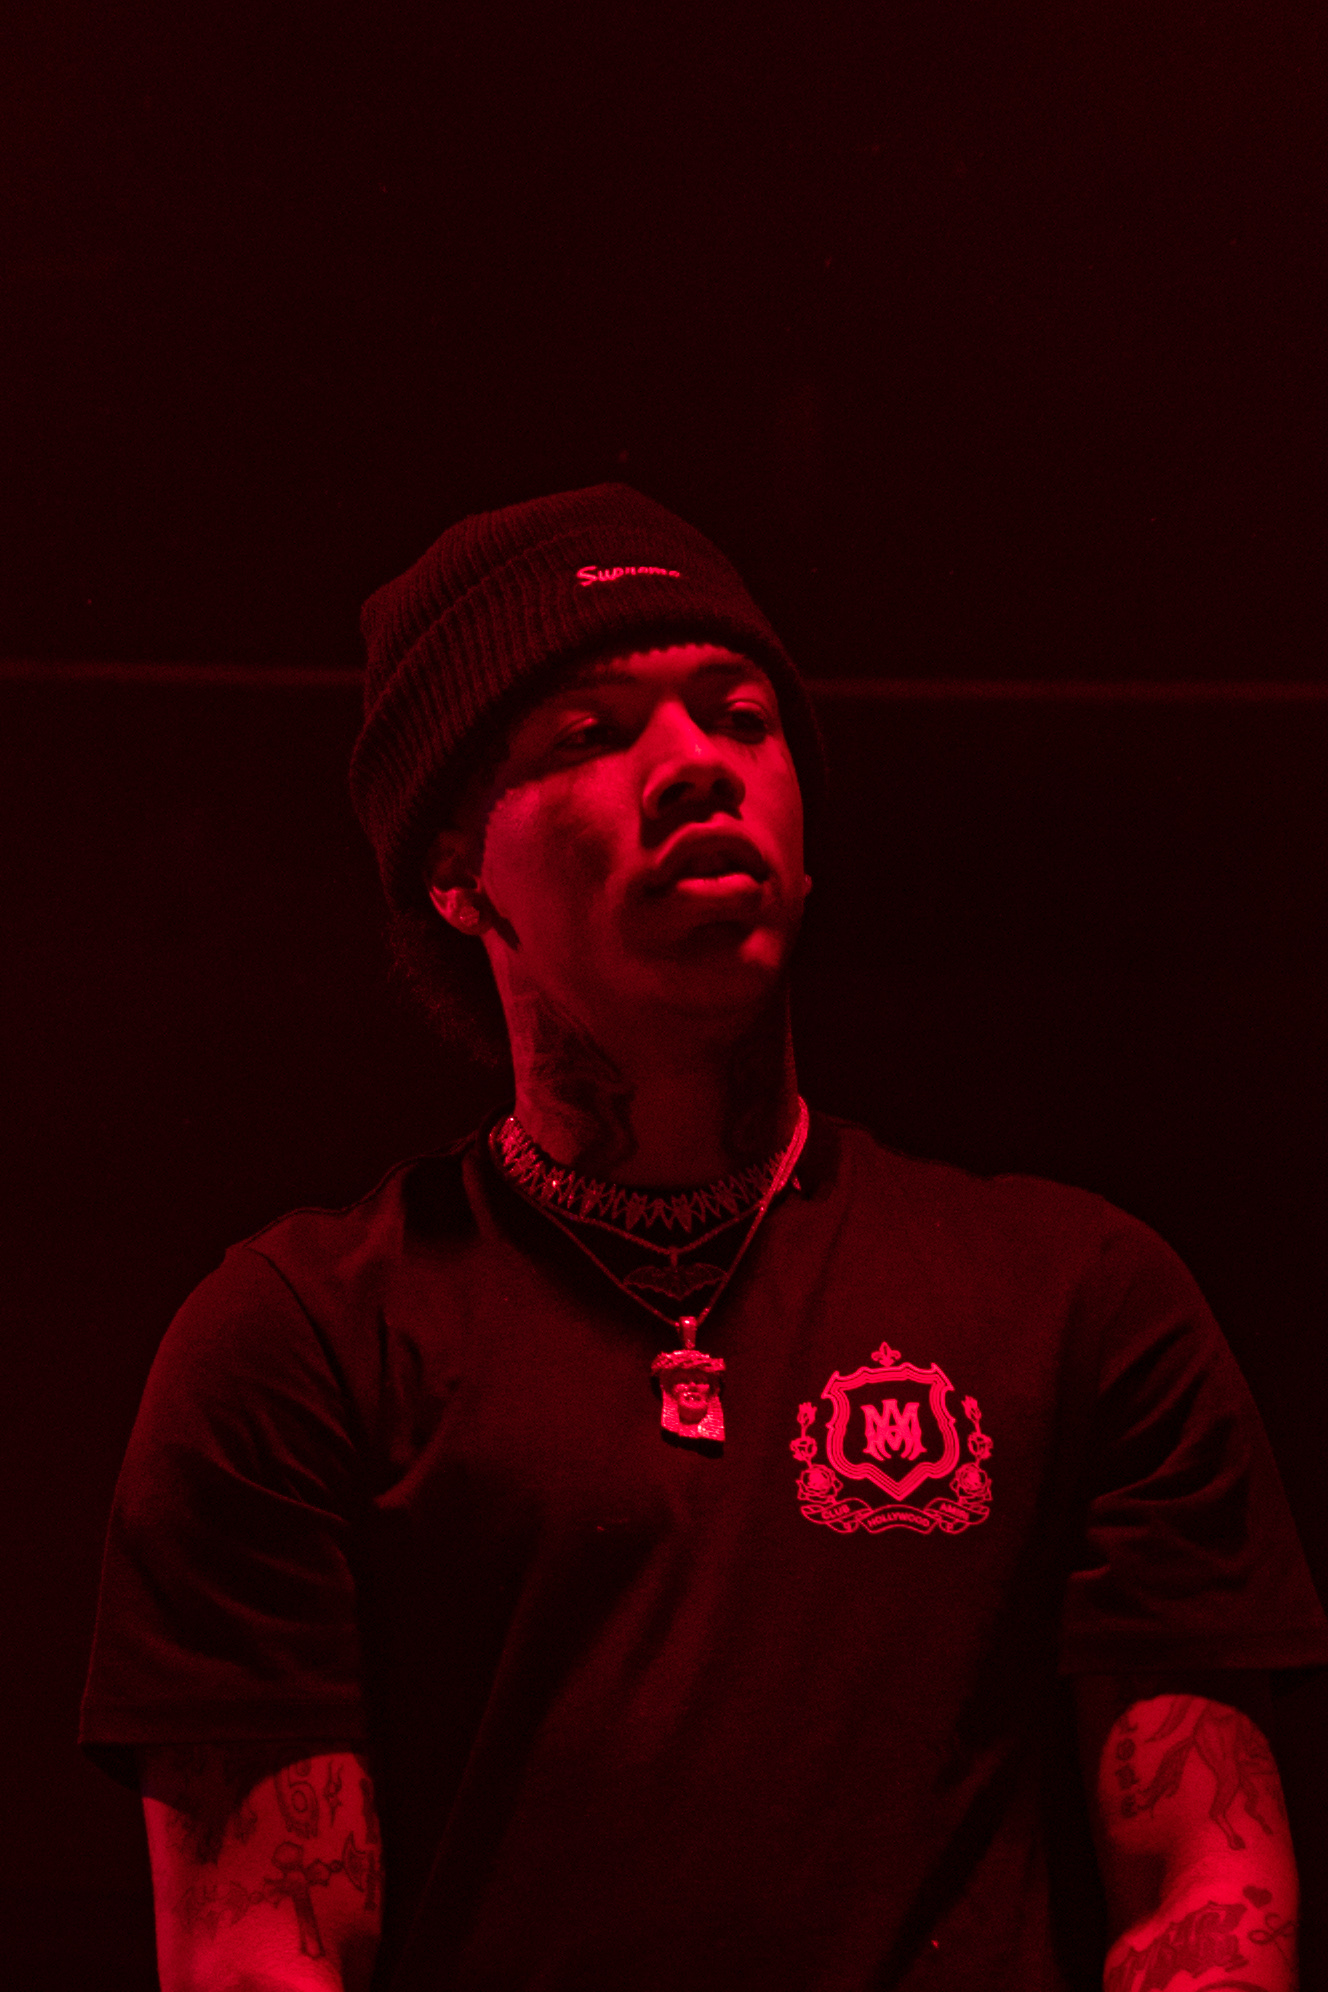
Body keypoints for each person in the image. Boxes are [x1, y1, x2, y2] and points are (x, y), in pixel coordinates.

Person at [81, 483, 1328, 1991]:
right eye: (587, 733)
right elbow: (258, 1946)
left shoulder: (1081, 1297)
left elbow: (1205, 1881)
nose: (695, 764)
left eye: (741, 715)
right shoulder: (298, 1342)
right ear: (454, 871)